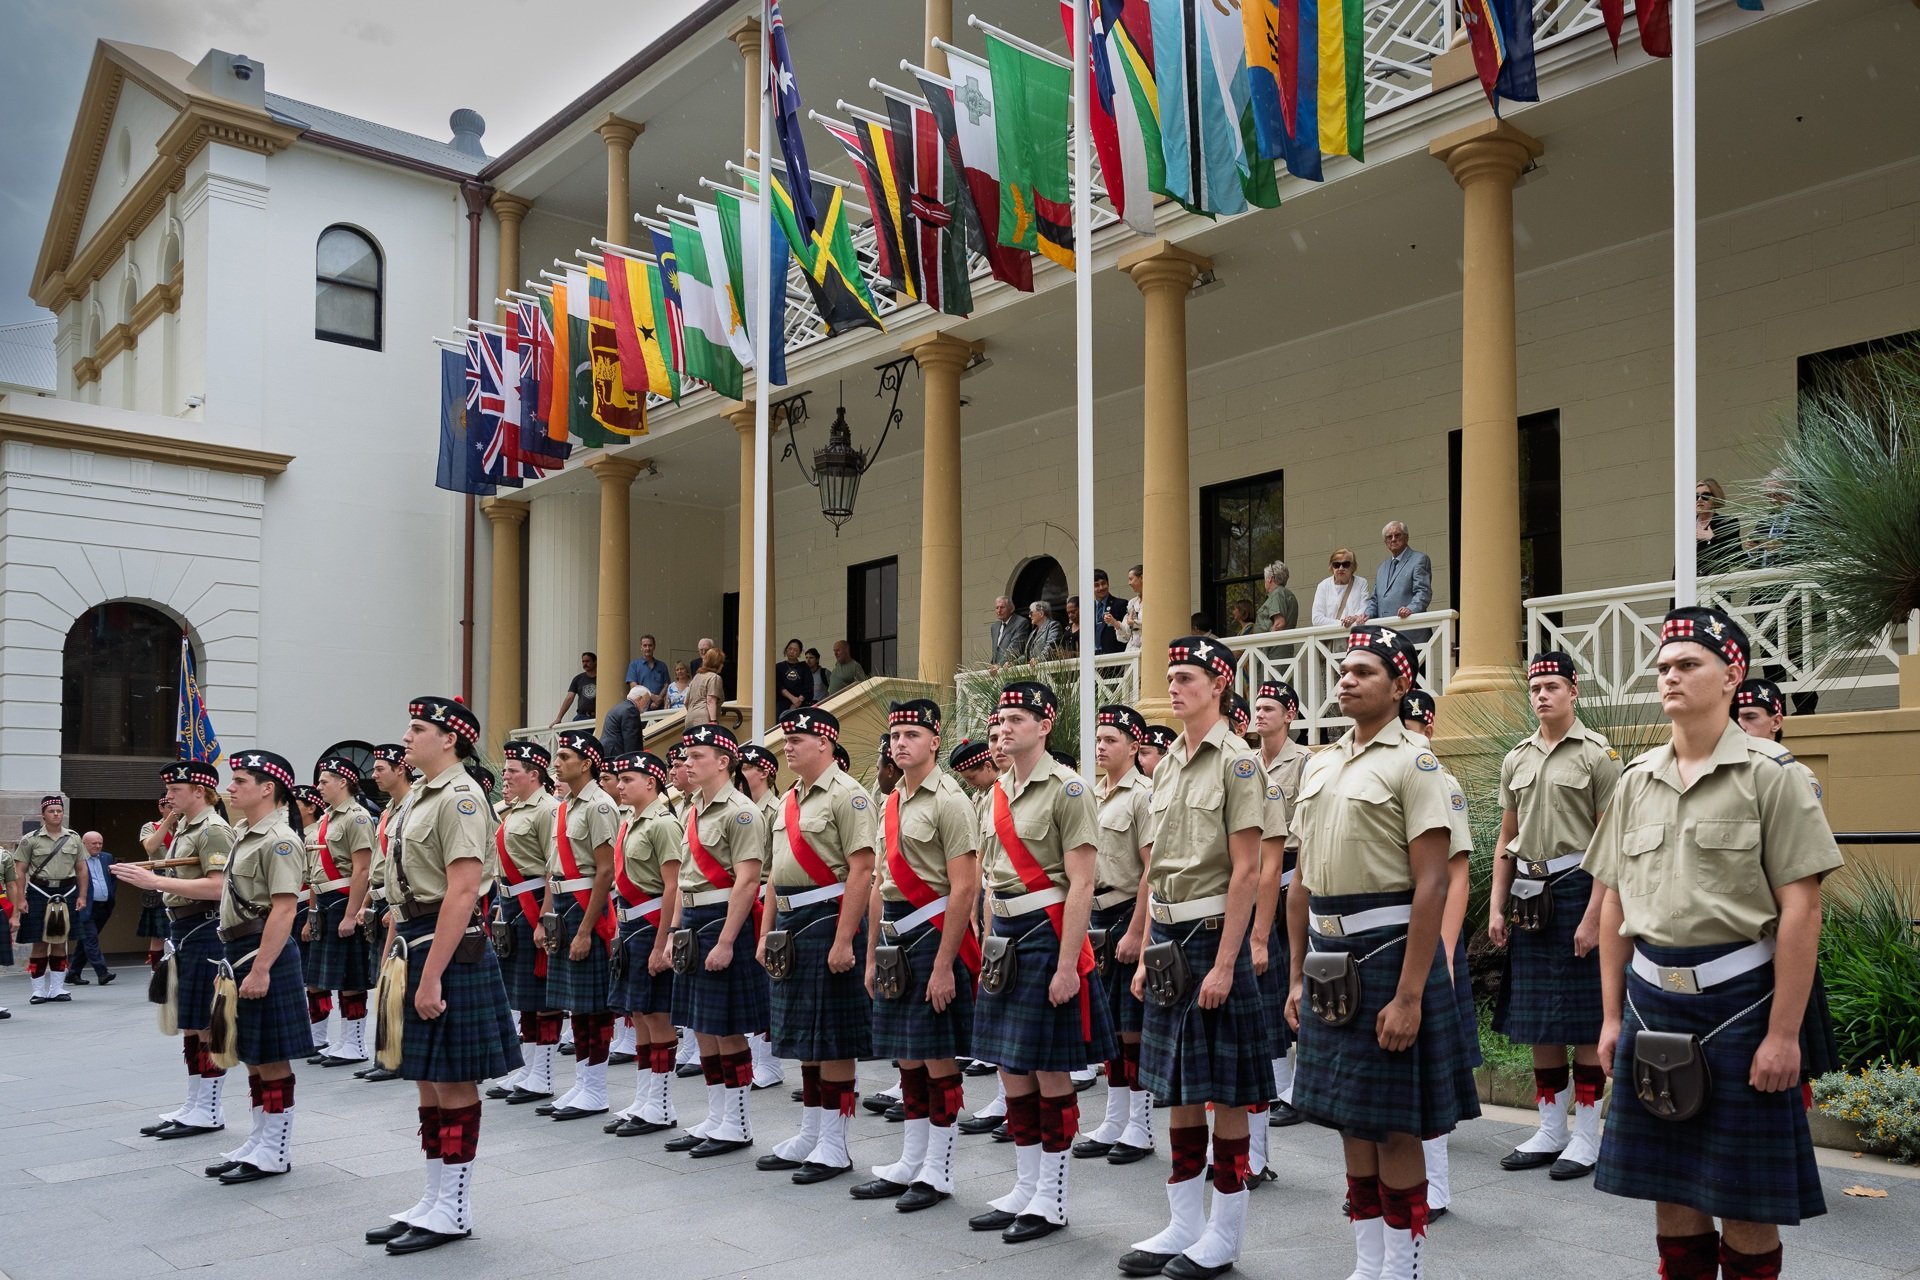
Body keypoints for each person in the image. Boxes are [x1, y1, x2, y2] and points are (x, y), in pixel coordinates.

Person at [1583, 608, 1841, 1280]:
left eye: (1687, 663)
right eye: (1663, 666)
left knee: (1746, 1201)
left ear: (1731, 674)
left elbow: (1802, 908)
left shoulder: (1773, 775)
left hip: (1740, 1007)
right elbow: (1614, 902)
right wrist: (1611, 1018)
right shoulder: (1636, 779)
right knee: (1671, 1194)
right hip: (1650, 1006)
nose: (1669, 675)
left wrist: (1783, 1035)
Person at [1287, 626, 1480, 1280]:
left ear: (1400, 685)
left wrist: (1409, 994)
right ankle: (1368, 1264)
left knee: (1395, 1127)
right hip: (1325, 954)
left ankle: (1403, 1267)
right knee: (1350, 1121)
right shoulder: (1320, 763)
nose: (1346, 679)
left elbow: (1432, 881)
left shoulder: (1415, 764)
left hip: (1388, 951)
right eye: (1343, 669)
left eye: (1363, 671)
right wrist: (1293, 975)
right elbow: (1304, 878)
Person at [1119, 639, 1269, 1280]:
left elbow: (1247, 871)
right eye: (1170, 676)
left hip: (1212, 938)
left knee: (1226, 1093)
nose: (1172, 687)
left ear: (1219, 683)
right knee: (1177, 1090)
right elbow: (1159, 872)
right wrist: (1149, 946)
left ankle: (1224, 1233)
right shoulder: (1169, 764)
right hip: (1170, 941)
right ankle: (1183, 1221)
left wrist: (1228, 961)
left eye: (1185, 677)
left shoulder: (1237, 763)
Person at [364, 696, 521, 1254]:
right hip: (415, 938)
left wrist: (430, 977)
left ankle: (454, 1206)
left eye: (417, 728)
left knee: (453, 1082)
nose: (406, 737)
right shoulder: (417, 799)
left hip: (445, 947)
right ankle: (433, 1197)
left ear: (449, 738)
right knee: (429, 1079)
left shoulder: (459, 798)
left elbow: (461, 892)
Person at [967, 681, 1113, 1245]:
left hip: (1047, 933)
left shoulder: (1069, 788)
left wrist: (1067, 964)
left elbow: (1081, 883)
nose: (1004, 728)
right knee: (1011, 1066)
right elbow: (988, 878)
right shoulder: (996, 791)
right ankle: (1024, 1187)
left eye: (1017, 719)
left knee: (1050, 1070)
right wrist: (985, 942)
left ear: (1044, 725)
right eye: (999, 719)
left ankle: (1051, 1198)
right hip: (1004, 935)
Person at [1487, 651, 1622, 1181]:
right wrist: (1497, 905)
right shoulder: (1517, 757)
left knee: (1585, 1020)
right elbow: (1505, 836)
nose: (1542, 694)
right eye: (1536, 686)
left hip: (1576, 889)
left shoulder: (1596, 755)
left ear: (1575, 692)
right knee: (1539, 1018)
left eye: (1553, 686)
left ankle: (1587, 1134)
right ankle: (1550, 1129)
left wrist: (1593, 918)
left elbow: (1609, 842)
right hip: (1527, 891)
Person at [850, 700, 981, 1211]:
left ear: (935, 741)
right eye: (895, 734)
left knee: (936, 1056)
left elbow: (964, 888)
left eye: (912, 734)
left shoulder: (949, 800)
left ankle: (939, 1170)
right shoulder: (890, 801)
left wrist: (947, 964)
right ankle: (911, 1158)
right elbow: (882, 883)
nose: (900, 742)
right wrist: (871, 955)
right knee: (907, 1054)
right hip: (894, 940)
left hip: (932, 938)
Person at [756, 707, 877, 1185]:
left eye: (798, 739)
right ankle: (810, 1131)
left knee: (831, 1036)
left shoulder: (849, 796)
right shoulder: (790, 799)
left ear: (825, 743)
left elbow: (863, 870)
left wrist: (846, 937)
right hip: (790, 920)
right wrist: (766, 930)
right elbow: (773, 875)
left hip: (828, 919)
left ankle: (835, 1141)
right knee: (805, 1036)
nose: (788, 747)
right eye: (786, 740)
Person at [205, 750, 311, 1187]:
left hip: (261, 950)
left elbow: (285, 909)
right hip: (240, 948)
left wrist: (262, 968)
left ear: (268, 788)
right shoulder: (246, 833)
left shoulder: (279, 839)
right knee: (252, 1054)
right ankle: (260, 1138)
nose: (230, 788)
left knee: (271, 1057)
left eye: (240, 781)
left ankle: (276, 1149)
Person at [114, 762, 235, 1141]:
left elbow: (219, 888)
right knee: (190, 1020)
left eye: (176, 789)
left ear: (200, 790)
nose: (168, 796)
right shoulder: (186, 824)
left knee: (205, 1023)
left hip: (204, 926)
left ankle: (210, 1109)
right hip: (184, 926)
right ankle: (195, 1102)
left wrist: (154, 880)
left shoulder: (214, 829)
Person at [663, 724, 768, 1157]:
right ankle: (716, 1112)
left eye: (697, 755)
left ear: (723, 761)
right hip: (692, 918)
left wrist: (727, 941)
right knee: (701, 1023)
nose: (687, 762)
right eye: (686, 756)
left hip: (724, 920)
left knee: (726, 1027)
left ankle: (738, 1122)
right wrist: (672, 933)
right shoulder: (692, 809)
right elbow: (683, 884)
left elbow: (747, 881)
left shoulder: (740, 812)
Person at [1398, 689, 1481, 1221]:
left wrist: (1446, 949)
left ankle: (1438, 1187)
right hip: (1386, 940)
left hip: (1429, 941)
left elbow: (1455, 873)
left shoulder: (1440, 783)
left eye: (1412, 723)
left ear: (1426, 727)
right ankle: (1395, 1184)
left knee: (1429, 1072)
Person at [1072, 705, 1154, 1167]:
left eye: (1111, 740)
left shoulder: (1142, 795)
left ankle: (1140, 1126)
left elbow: (1150, 868)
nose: (1101, 747)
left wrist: (1138, 930)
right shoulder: (1091, 794)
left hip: (1126, 913)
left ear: (1134, 745)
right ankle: (1114, 1117)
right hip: (1096, 917)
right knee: (1109, 1029)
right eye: (1098, 739)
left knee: (1131, 1030)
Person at [539, 731, 621, 1120]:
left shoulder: (599, 805)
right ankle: (583, 1083)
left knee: (594, 1007)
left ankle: (597, 1089)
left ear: (587, 763)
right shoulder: (564, 806)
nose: (557, 761)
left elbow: (606, 871)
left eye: (565, 755)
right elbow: (551, 868)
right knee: (577, 1007)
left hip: (588, 906)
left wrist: (587, 929)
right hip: (566, 906)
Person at [603, 752, 682, 1136]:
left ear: (651, 782)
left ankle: (662, 1105)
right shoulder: (629, 821)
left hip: (652, 926)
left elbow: (673, 886)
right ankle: (645, 1097)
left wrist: (662, 940)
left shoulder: (663, 823)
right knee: (638, 1015)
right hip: (631, 926)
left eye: (628, 779)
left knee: (657, 1016)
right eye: (619, 779)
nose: (620, 785)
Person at [487, 741, 562, 1106]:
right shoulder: (513, 810)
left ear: (534, 774)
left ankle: (543, 1074)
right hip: (511, 902)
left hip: (534, 904)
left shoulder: (547, 809)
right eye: (504, 771)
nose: (506, 777)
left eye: (512, 771)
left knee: (540, 995)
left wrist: (544, 918)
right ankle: (528, 1067)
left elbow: (552, 867)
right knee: (522, 996)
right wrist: (502, 906)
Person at [1252, 680, 1311, 1128]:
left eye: (1270, 707)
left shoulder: (1305, 761)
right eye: (1256, 707)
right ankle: (1277, 1080)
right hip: (1254, 879)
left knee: (1301, 974)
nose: (1260, 715)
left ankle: (1303, 1085)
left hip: (1294, 876)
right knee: (1268, 980)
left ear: (1289, 715)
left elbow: (1308, 827)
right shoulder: (1246, 765)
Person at [303, 756, 377, 1069]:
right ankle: (337, 1040)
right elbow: (313, 874)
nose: (319, 787)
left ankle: (355, 1043)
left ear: (343, 782)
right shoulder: (325, 820)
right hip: (323, 902)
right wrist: (311, 914)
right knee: (327, 976)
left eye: (324, 781)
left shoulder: (356, 818)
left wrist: (352, 913)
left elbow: (362, 869)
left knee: (350, 977)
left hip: (344, 899)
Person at [357, 743, 413, 1083]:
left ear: (400, 769)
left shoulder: (412, 806)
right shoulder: (390, 809)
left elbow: (409, 863)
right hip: (382, 900)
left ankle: (398, 1055)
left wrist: (398, 904)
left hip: (401, 905)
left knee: (398, 981)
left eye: (380, 768)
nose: (374, 774)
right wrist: (367, 901)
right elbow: (382, 864)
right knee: (385, 979)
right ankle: (387, 1053)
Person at [14, 796, 87, 1005]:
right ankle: (38, 990)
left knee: (60, 943)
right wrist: (20, 898)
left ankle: (57, 988)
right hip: (39, 891)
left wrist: (82, 896)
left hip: (67, 891)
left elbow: (82, 869)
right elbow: (19, 871)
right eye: (52, 811)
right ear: (43, 815)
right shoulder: (31, 839)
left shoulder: (73, 838)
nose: (56, 814)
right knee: (39, 944)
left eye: (59, 810)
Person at [1366, 522, 1434, 641]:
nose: (1393, 539)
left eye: (1397, 535)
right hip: (1386, 637)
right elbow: (1375, 599)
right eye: (1389, 537)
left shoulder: (1419, 559)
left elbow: (1423, 592)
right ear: (1385, 542)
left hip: (1412, 635)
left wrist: (1411, 609)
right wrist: (1367, 613)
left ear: (1406, 537)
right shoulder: (1382, 567)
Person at [68, 832, 117, 986]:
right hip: (85, 906)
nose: (97, 846)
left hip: (103, 907)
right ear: (83, 844)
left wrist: (110, 895)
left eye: (100, 843)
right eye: (93, 843)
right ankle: (102, 973)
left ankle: (73, 973)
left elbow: (113, 878)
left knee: (86, 942)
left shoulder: (107, 858)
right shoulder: (77, 859)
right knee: (91, 939)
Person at [136, 795, 178, 968]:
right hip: (159, 881)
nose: (173, 810)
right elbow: (151, 848)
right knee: (158, 935)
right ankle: (157, 974)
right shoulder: (151, 827)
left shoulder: (189, 827)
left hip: (184, 882)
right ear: (161, 808)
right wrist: (167, 823)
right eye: (169, 806)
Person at [1312, 548, 1371, 628]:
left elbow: (1364, 609)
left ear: (1353, 566)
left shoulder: (1361, 583)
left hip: (1355, 635)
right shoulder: (1323, 586)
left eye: (1345, 564)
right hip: (1332, 638)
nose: (1341, 568)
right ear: (1332, 567)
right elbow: (1316, 619)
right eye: (1336, 565)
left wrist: (1354, 618)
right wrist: (1342, 623)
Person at [1694, 479, 1740, 576]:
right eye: (1696, 496)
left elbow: (1734, 557)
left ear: (1715, 499)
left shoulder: (1727, 523)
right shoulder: (1686, 525)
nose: (1699, 500)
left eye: (1705, 496)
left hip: (1715, 585)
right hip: (1689, 586)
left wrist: (1712, 539)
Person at [550, 652, 598, 727]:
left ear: (595, 662)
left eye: (588, 661)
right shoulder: (578, 679)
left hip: (598, 717)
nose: (585, 664)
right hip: (582, 716)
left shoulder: (602, 678)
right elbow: (569, 698)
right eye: (583, 661)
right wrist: (559, 718)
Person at [624, 634, 670, 707]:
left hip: (659, 708)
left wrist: (658, 699)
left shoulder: (662, 666)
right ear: (641, 647)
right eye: (645, 645)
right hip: (641, 708)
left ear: (654, 647)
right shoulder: (634, 665)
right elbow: (634, 686)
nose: (647, 648)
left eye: (650, 645)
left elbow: (666, 685)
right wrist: (651, 696)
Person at [601, 686, 648, 758]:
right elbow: (631, 740)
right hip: (617, 753)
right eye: (647, 702)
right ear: (639, 698)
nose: (647, 705)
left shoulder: (619, 706)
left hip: (607, 751)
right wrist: (634, 760)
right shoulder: (631, 710)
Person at [685, 649, 727, 727]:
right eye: (721, 662)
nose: (722, 665)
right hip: (705, 719)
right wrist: (713, 721)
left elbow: (686, 702)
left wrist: (694, 713)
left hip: (689, 719)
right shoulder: (714, 677)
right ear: (716, 663)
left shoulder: (696, 677)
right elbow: (710, 700)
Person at [1090, 570, 1126, 655]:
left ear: (1108, 583)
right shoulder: (1088, 609)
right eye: (1096, 585)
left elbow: (1126, 631)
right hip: (1093, 656)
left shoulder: (1120, 604)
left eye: (1103, 583)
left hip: (1114, 655)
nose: (1101, 588)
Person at [990, 597, 1034, 665]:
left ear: (1011, 609)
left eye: (1002, 607)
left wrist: (999, 665)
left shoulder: (1021, 623)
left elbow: (1015, 649)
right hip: (996, 671)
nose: (999, 611)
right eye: (997, 608)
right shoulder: (994, 627)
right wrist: (992, 665)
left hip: (1012, 668)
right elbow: (995, 651)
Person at [1258, 561, 1299, 633]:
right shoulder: (1287, 594)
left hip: (1272, 643)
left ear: (1270, 578)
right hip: (1284, 642)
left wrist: (1266, 640)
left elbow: (1279, 624)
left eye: (1265, 578)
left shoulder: (1277, 594)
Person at [776, 638, 813, 711]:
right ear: (786, 650)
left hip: (800, 704)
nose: (792, 652)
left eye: (795, 650)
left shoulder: (804, 667)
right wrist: (792, 698)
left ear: (799, 653)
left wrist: (797, 702)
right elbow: (779, 686)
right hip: (782, 704)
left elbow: (808, 687)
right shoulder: (779, 667)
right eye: (790, 649)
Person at [1119, 566, 1145, 651]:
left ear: (1141, 578)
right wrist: (1115, 623)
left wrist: (1134, 623)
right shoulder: (1132, 603)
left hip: (1147, 648)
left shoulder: (1153, 601)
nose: (1129, 583)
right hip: (1132, 649)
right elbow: (1126, 633)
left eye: (1131, 579)